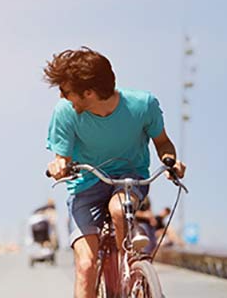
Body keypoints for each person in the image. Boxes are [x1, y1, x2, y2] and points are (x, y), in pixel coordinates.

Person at [44, 47, 186, 298]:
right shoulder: (64, 113)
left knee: (119, 210)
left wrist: (170, 160)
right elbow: (62, 158)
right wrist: (58, 166)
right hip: (85, 185)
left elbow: (163, 142)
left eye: (66, 91)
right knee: (86, 266)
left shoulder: (143, 105)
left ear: (88, 92)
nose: (63, 97)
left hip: (129, 181)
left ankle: (130, 273)